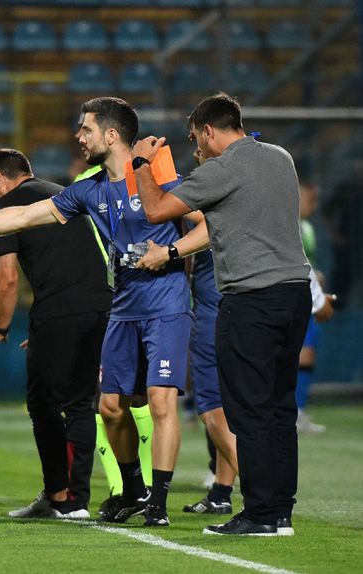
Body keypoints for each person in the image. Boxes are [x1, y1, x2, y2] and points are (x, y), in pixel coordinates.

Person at [0, 97, 210, 527]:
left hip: (167, 307)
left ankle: (158, 502)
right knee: (111, 409)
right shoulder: (88, 188)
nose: (79, 137)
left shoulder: (159, 174)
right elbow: (21, 216)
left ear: (111, 135)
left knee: (159, 401)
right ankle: (133, 487)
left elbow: (207, 226)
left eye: (86, 129)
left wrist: (170, 251)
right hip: (123, 308)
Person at [134, 93, 311, 536]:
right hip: (293, 294)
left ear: (210, 130)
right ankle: (280, 511)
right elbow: (224, 223)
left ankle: (259, 515)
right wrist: (174, 249)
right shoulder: (280, 157)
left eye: (196, 138)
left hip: (250, 298)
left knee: (248, 409)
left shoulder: (221, 169)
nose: (196, 148)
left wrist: (142, 165)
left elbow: (156, 208)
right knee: (278, 407)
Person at [0, 149, 111, 519]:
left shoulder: (8, 209)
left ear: (0, 178)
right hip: (99, 305)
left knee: (43, 404)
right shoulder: (63, 192)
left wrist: (1, 328)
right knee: (81, 403)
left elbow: (7, 277)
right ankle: (77, 500)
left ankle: (56, 495)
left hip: (59, 309)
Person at [137, 147, 239, 516]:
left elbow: (173, 211)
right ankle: (222, 492)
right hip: (248, 306)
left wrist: (151, 170)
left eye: (198, 143)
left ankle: (264, 494)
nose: (195, 151)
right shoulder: (248, 189)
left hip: (215, 311)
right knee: (232, 410)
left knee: (212, 410)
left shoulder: (208, 194)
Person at [296, 182, 335, 433]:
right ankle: (294, 411)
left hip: (312, 298)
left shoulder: (307, 228)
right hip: (300, 298)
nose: (313, 206)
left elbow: (309, 262)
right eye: (310, 200)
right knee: (302, 355)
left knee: (309, 356)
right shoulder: (289, 226)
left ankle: (298, 410)